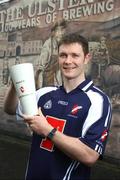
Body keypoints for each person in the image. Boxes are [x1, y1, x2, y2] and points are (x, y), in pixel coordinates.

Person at [4, 32, 112, 180]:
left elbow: (90, 156)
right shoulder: (44, 93)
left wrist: (47, 130)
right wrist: (15, 85)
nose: (68, 61)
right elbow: (10, 109)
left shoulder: (98, 101)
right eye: (63, 55)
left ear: (86, 58)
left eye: (75, 55)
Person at [35, 19, 67, 89]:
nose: (61, 33)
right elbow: (40, 69)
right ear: (53, 32)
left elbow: (58, 70)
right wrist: (40, 89)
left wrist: (60, 86)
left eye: (63, 30)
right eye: (58, 30)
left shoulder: (61, 45)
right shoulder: (48, 45)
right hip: (46, 83)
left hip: (56, 84)